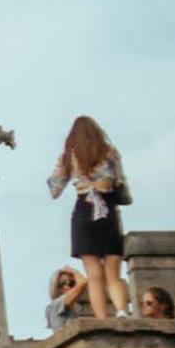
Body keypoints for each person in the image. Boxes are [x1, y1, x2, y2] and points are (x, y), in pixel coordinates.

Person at [49, 115, 129, 322]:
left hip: (83, 210)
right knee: (113, 271)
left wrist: (62, 166)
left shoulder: (68, 157)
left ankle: (102, 319)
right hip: (107, 208)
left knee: (93, 274)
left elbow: (55, 189)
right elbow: (120, 181)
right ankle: (121, 311)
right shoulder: (109, 153)